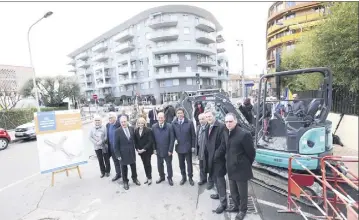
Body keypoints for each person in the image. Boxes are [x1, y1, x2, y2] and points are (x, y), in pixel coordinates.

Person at [217, 113, 256, 220]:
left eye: (230, 121)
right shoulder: (226, 132)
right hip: (230, 167)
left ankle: (243, 210)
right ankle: (235, 206)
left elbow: (251, 153)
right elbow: (224, 147)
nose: (228, 124)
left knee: (242, 193)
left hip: (241, 169)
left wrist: (245, 164)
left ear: (236, 121)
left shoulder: (244, 134)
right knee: (233, 191)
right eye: (226, 122)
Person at [204, 110, 227, 214]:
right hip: (211, 158)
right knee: (214, 178)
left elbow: (223, 144)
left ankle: (223, 203)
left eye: (210, 116)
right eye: (207, 117)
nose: (208, 118)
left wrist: (216, 155)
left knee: (220, 181)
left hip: (219, 159)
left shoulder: (221, 127)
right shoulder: (208, 127)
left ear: (214, 116)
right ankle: (218, 194)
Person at [114, 115, 141, 190]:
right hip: (122, 154)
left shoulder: (132, 129)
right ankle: (125, 181)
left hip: (131, 152)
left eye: (124, 121)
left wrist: (137, 148)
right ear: (120, 122)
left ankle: (135, 179)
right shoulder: (117, 131)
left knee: (133, 166)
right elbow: (115, 145)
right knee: (124, 168)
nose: (123, 123)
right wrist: (118, 154)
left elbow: (134, 140)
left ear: (127, 121)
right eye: (122, 122)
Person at [172, 107, 196, 186]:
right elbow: (173, 135)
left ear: (183, 113)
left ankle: (190, 178)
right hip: (179, 147)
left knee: (189, 164)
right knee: (181, 164)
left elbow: (193, 135)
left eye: (181, 113)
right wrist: (175, 139)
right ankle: (183, 177)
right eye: (178, 113)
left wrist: (193, 146)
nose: (179, 115)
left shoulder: (189, 122)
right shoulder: (174, 123)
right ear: (176, 114)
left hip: (188, 147)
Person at [152, 112, 175, 186]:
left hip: (167, 150)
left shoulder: (169, 126)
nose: (160, 119)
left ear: (164, 118)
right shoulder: (154, 127)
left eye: (162, 118)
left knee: (169, 165)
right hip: (158, 150)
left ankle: (170, 178)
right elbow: (153, 139)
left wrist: (170, 150)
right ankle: (162, 177)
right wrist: (154, 149)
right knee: (159, 165)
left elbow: (172, 139)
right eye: (159, 118)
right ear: (157, 118)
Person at [134, 117, 154, 185]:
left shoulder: (148, 130)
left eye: (142, 123)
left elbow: (150, 141)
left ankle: (150, 178)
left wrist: (144, 149)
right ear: (137, 123)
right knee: (144, 164)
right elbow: (135, 141)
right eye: (139, 123)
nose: (140, 124)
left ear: (144, 123)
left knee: (148, 164)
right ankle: (147, 176)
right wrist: (137, 149)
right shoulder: (136, 130)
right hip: (140, 151)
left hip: (147, 151)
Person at [106, 112, 122, 182]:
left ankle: (124, 175)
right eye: (109, 118)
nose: (110, 119)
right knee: (115, 162)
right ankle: (118, 174)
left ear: (115, 118)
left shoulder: (119, 124)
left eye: (111, 117)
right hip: (111, 147)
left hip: (119, 148)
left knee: (121, 162)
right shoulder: (108, 125)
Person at [195, 113, 209, 185]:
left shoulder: (209, 127)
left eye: (202, 119)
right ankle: (203, 179)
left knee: (208, 166)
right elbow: (197, 139)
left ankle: (211, 181)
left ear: (206, 118)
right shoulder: (198, 127)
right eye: (200, 119)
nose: (201, 120)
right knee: (201, 166)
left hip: (207, 151)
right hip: (200, 149)